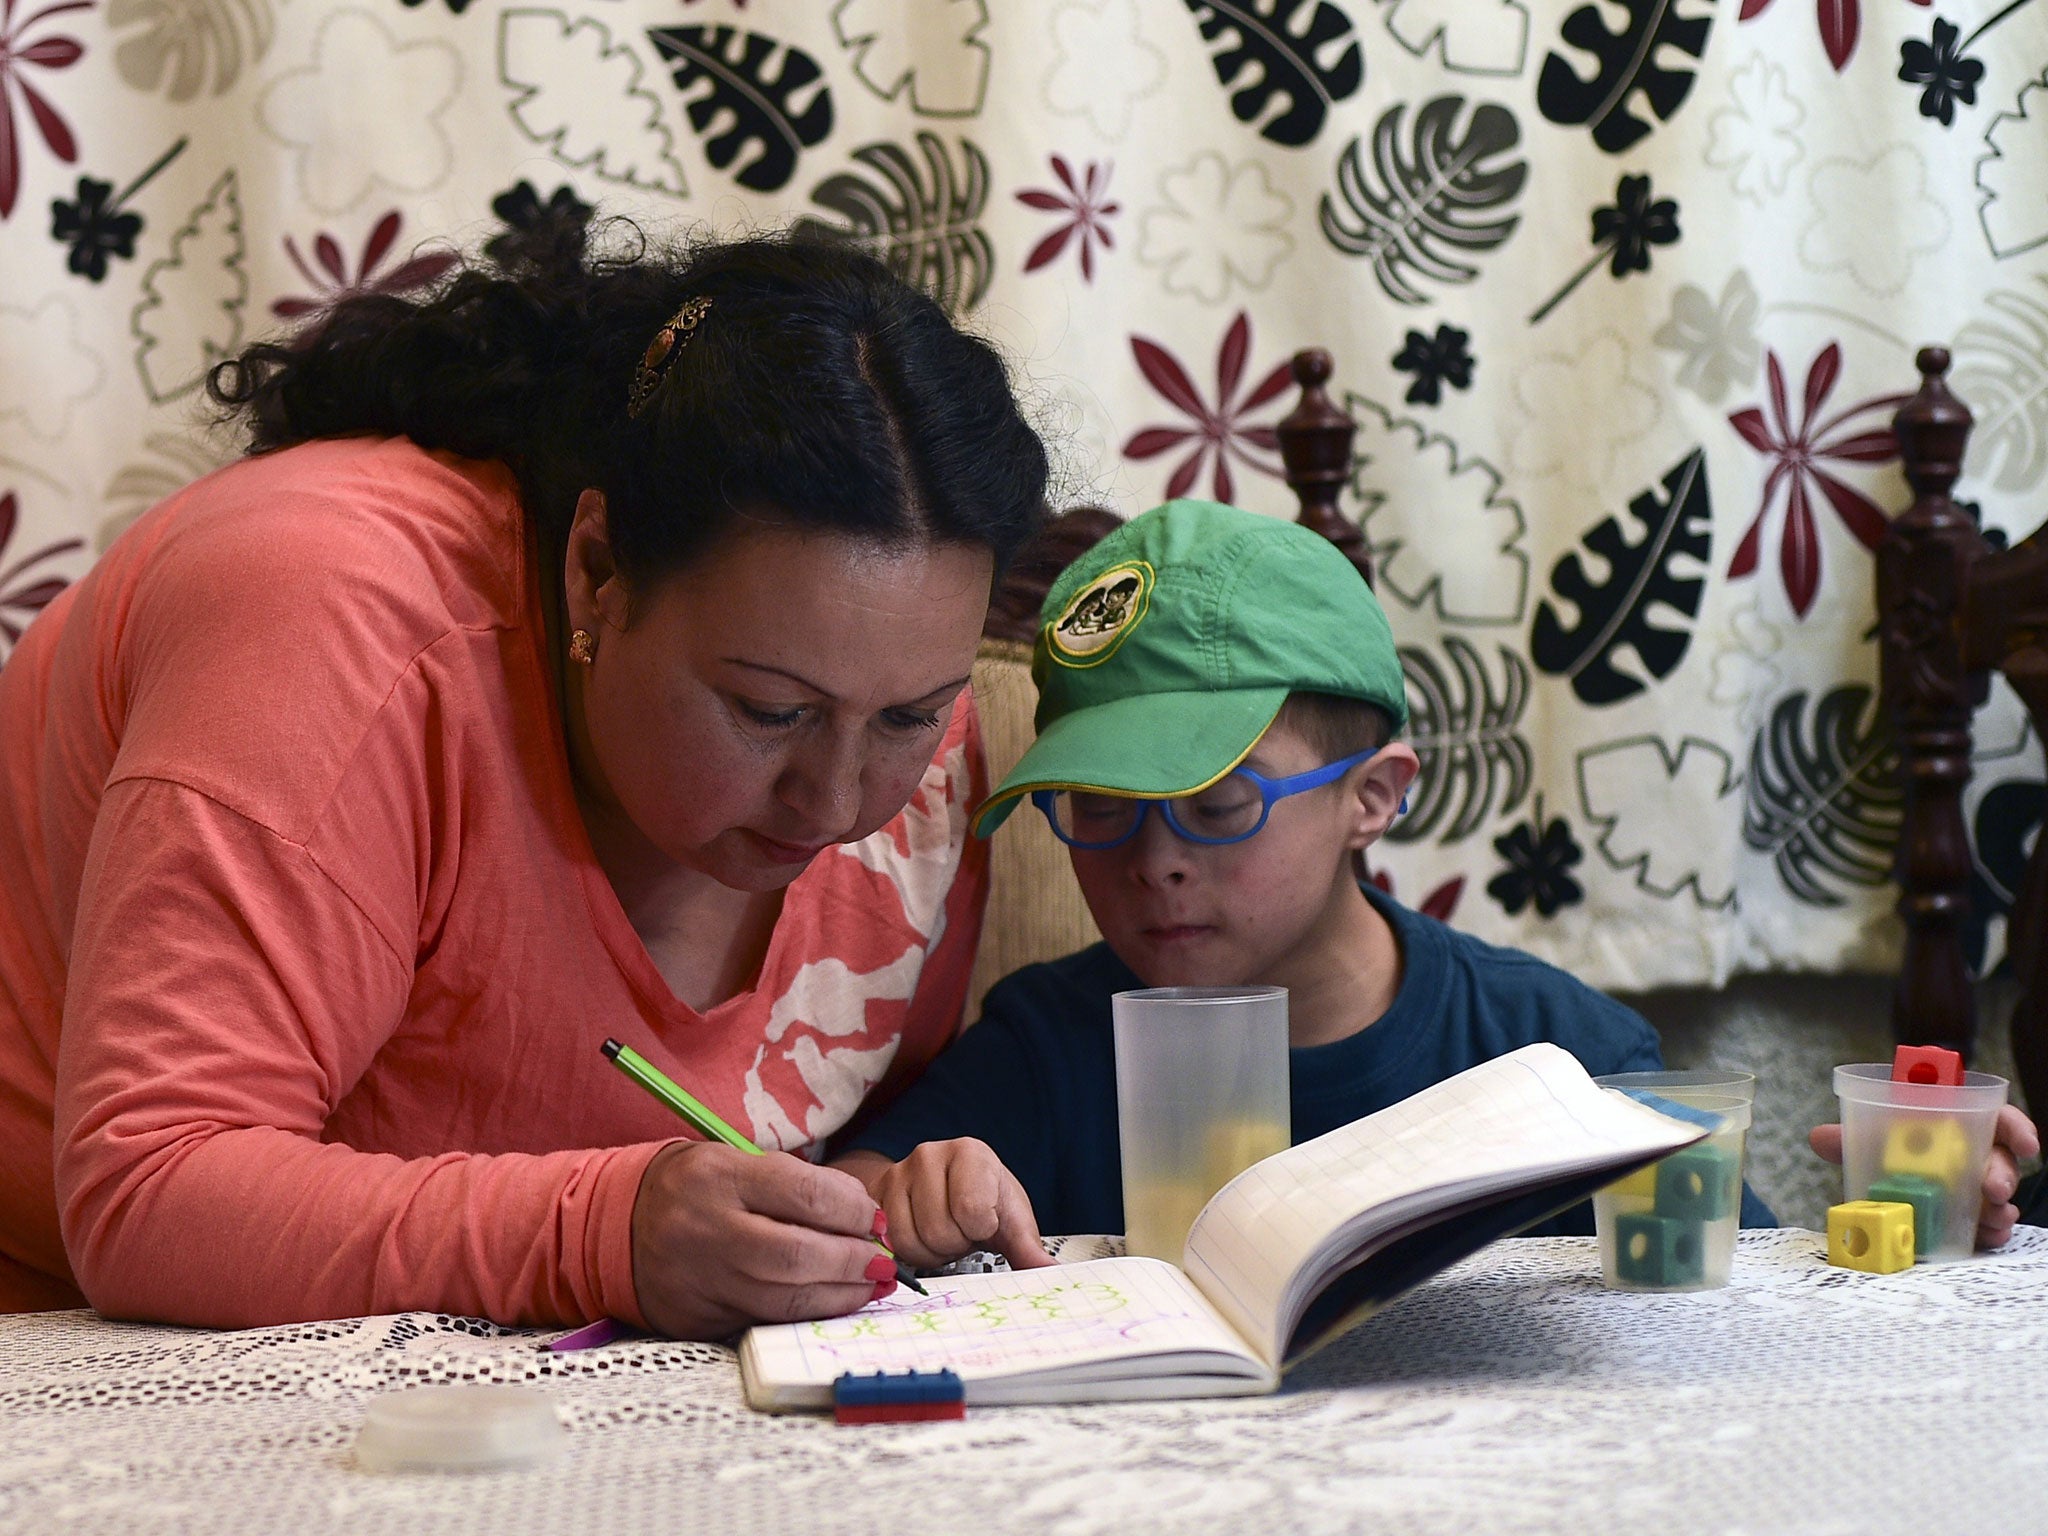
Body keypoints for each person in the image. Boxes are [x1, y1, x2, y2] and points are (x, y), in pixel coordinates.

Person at [0, 229, 1050, 1338]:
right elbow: (148, 1193)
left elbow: (836, 1152)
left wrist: (875, 1201)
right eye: (768, 711)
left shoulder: (924, 748)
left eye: (906, 716)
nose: (837, 803)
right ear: (595, 575)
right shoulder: (328, 616)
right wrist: (595, 1236)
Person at [834, 500, 2034, 1267]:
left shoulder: (1544, 1052)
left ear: (1374, 794)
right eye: (1099, 811)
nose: (1154, 862)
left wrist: (1904, 1226)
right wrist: (902, 1194)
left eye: (1219, 804)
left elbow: (1719, 1291)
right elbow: (851, 1196)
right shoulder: (1047, 1042)